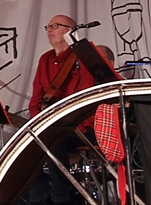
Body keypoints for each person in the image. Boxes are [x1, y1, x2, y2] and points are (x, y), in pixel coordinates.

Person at [25, 15, 97, 205]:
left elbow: (88, 99)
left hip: (80, 127)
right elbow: (36, 99)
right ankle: (38, 199)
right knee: (24, 145)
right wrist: (38, 123)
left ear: (70, 31)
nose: (49, 29)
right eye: (48, 26)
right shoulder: (45, 59)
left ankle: (61, 199)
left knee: (54, 142)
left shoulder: (84, 57)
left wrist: (75, 124)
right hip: (52, 126)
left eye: (55, 26)